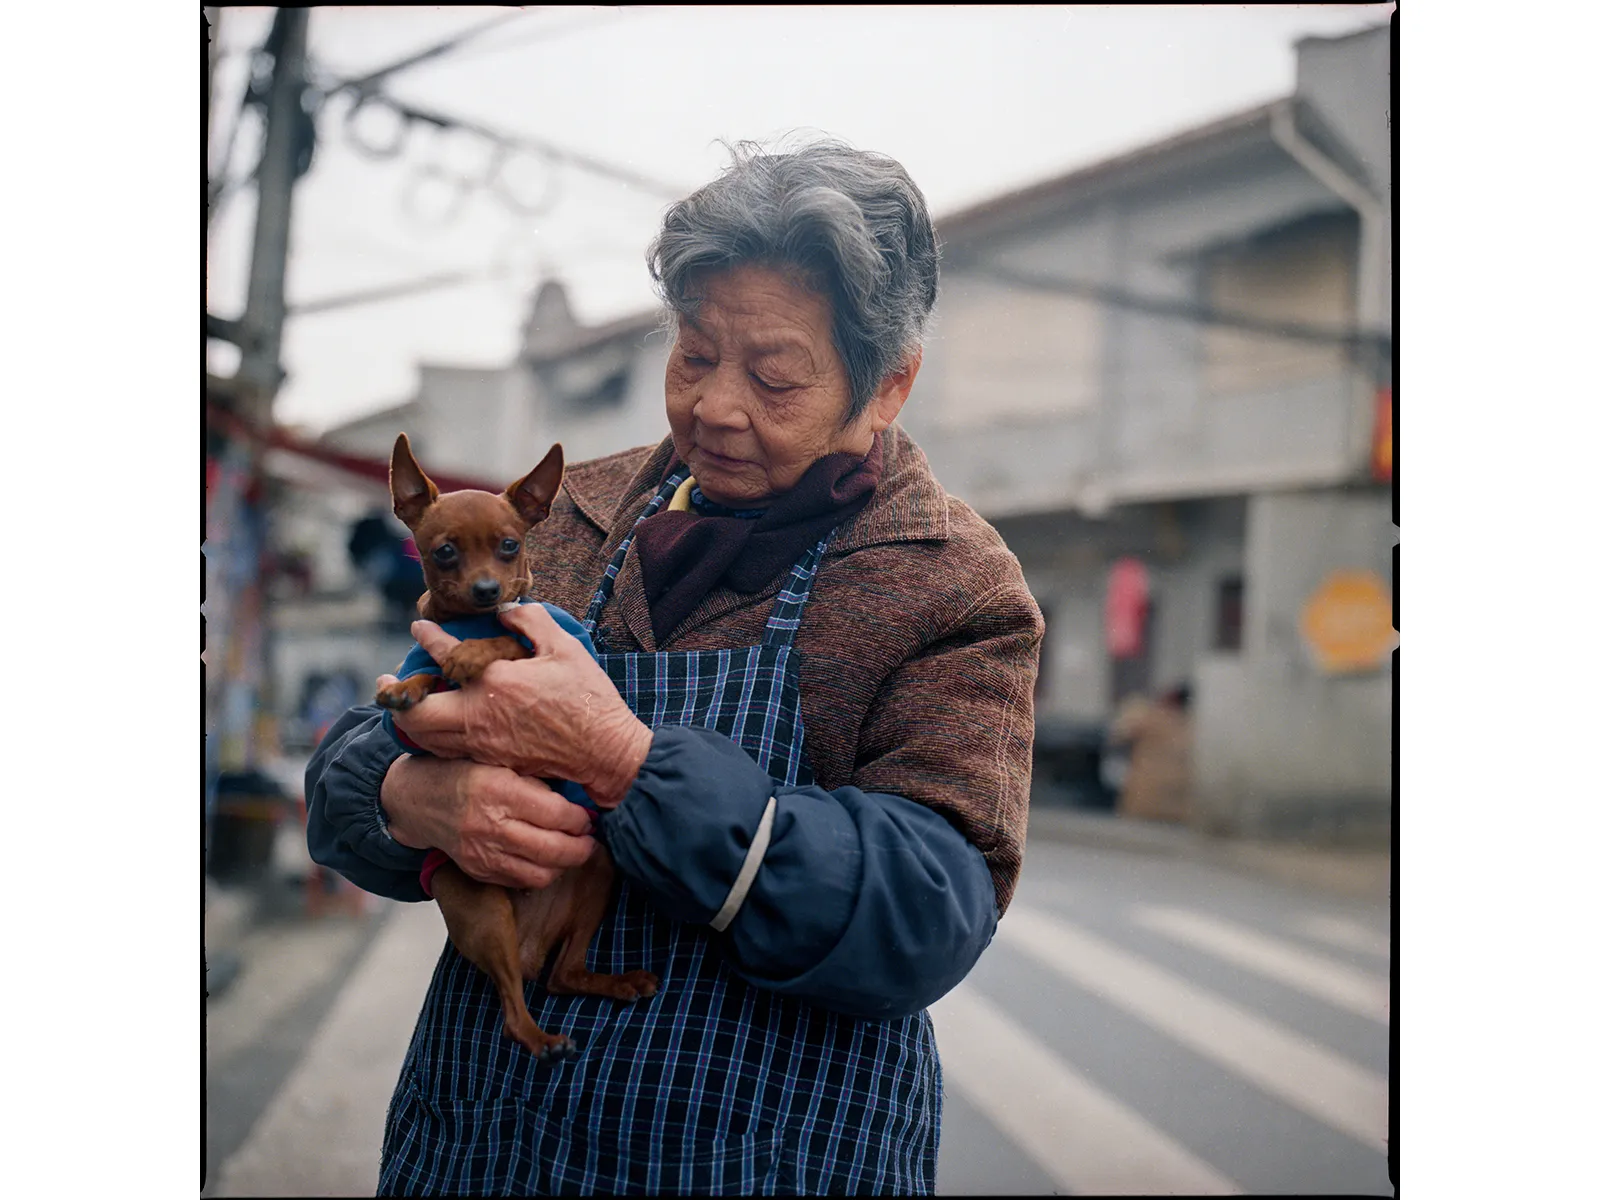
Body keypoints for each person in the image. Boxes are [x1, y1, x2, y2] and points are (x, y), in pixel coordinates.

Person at [306, 135, 1044, 1196]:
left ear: (888, 386)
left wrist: (622, 763)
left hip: (771, 1165)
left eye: (775, 375)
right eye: (695, 356)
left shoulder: (950, 585)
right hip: (477, 1153)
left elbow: (927, 914)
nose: (715, 406)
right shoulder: (563, 519)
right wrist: (407, 795)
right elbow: (352, 767)